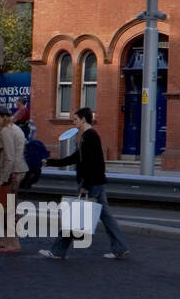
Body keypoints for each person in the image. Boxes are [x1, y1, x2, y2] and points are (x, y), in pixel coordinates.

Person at [39, 107, 129, 260]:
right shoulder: (87, 136)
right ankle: (120, 247)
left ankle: (58, 251)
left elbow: (91, 163)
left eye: (75, 119)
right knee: (106, 217)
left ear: (83, 119)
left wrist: (86, 186)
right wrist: (49, 162)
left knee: (74, 217)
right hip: (96, 182)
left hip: (91, 183)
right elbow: (75, 158)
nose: (73, 122)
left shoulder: (90, 136)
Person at [0, 105, 27, 254]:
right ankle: (5, 241)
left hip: (11, 175)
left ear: (3, 117)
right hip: (15, 173)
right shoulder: (13, 128)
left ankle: (13, 244)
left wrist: (2, 179)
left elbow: (10, 158)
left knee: (8, 210)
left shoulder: (5, 131)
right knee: (6, 208)